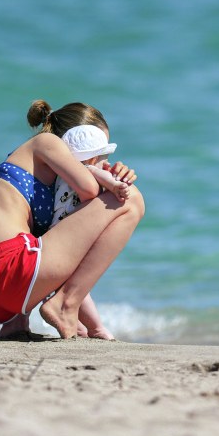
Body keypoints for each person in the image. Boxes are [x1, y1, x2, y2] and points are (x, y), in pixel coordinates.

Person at [0, 100, 144, 340]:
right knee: (130, 201)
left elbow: (62, 252)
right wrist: (109, 179)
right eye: (97, 155)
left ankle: (17, 323)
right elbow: (89, 189)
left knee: (37, 234)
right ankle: (65, 306)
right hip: (7, 272)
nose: (100, 162)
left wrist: (94, 327)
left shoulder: (28, 165)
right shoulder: (46, 142)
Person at [53, 124, 131, 340]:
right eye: (103, 157)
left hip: (55, 234)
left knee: (68, 287)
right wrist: (116, 186)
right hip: (70, 238)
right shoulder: (87, 170)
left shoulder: (60, 175)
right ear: (90, 158)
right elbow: (95, 173)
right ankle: (97, 328)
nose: (105, 162)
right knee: (79, 289)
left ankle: (79, 326)